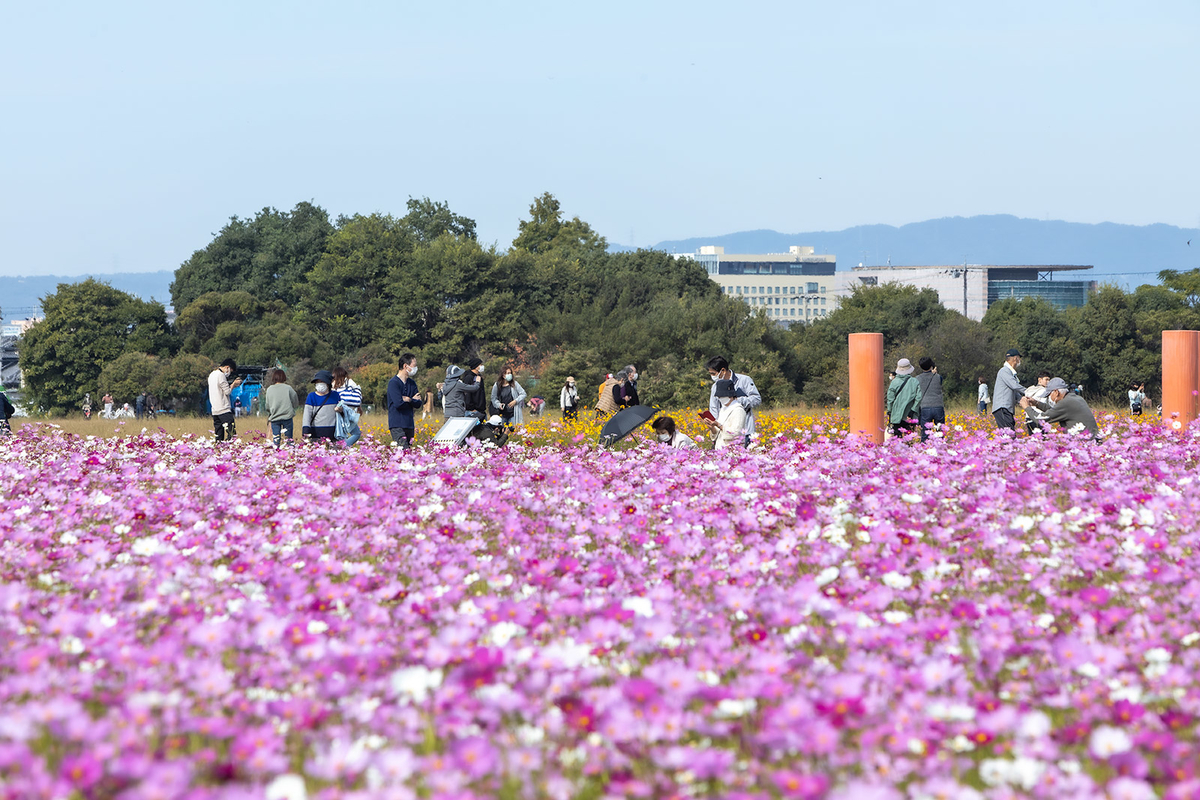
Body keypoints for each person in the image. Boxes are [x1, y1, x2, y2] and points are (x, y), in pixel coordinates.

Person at [1020, 377, 1102, 441]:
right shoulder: (1075, 398)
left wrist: (1027, 407)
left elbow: (1040, 419)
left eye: (1049, 395)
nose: (1049, 398)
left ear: (1056, 392)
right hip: (1093, 440)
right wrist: (1036, 403)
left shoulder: (1066, 403)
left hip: (1085, 443)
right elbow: (1054, 410)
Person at [706, 356, 762, 447]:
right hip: (723, 432)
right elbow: (714, 408)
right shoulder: (715, 386)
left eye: (713, 373)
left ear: (723, 371)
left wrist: (736, 402)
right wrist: (713, 425)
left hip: (745, 430)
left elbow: (757, 399)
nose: (712, 377)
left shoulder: (744, 380)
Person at [387, 354, 423, 447]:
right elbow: (398, 403)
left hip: (409, 424)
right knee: (403, 450)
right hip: (397, 424)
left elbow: (418, 403)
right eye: (414, 366)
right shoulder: (393, 383)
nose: (415, 368)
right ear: (405, 366)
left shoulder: (412, 383)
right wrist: (411, 400)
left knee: (409, 453)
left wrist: (408, 400)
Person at [885, 358, 922, 438]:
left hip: (896, 416)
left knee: (898, 439)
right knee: (909, 439)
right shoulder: (914, 381)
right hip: (910, 416)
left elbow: (890, 399)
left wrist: (890, 411)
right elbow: (918, 398)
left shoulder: (894, 382)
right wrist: (913, 410)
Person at [263, 369, 300, 447]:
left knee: (276, 441)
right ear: (284, 377)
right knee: (289, 440)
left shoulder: (270, 389)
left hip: (275, 418)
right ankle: (290, 455)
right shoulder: (288, 388)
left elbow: (267, 406)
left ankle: (277, 455)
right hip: (287, 417)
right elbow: (295, 401)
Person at [208, 359, 243, 442]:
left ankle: (219, 449)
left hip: (215, 409)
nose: (229, 373)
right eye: (230, 371)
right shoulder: (221, 375)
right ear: (227, 367)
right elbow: (227, 391)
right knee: (231, 433)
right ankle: (230, 449)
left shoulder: (212, 374)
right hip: (223, 409)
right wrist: (234, 384)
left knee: (218, 434)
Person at [302, 370, 341, 442]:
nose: (319, 384)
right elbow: (307, 416)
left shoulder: (335, 395)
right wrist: (306, 433)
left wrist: (341, 410)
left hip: (333, 435)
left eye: (322, 382)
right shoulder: (311, 396)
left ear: (328, 383)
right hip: (315, 435)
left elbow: (342, 415)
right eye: (317, 382)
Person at [992, 349, 1026, 431]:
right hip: (1003, 408)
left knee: (1010, 434)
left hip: (1007, 408)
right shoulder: (1004, 371)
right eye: (1019, 358)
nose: (1019, 361)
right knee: (1008, 436)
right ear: (1015, 358)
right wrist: (1030, 391)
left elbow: (1014, 392)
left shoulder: (1010, 372)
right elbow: (1014, 385)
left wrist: (1023, 399)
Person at [330, 366, 363, 447]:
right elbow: (357, 396)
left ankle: (341, 446)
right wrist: (359, 407)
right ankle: (344, 446)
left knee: (340, 434)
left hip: (336, 413)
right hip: (348, 414)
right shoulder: (350, 382)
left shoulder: (332, 384)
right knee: (356, 433)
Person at [712, 379, 748, 450]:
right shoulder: (723, 409)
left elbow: (737, 433)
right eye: (719, 397)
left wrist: (719, 425)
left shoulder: (738, 410)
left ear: (731, 396)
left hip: (733, 449)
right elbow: (717, 433)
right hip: (720, 448)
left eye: (722, 396)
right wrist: (712, 427)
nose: (721, 399)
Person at [915, 357, 945, 441]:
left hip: (925, 407)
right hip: (938, 406)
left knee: (925, 433)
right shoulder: (938, 377)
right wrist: (934, 373)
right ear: (931, 365)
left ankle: (924, 450)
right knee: (940, 431)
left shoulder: (917, 379)